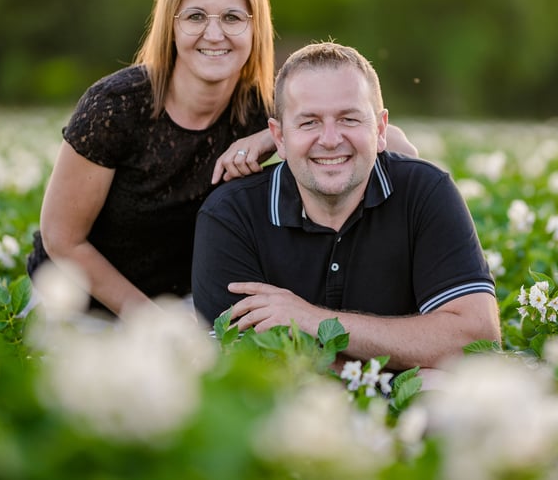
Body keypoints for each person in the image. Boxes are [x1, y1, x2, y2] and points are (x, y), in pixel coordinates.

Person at [28, 0, 416, 317]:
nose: (214, 34)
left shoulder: (266, 107)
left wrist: (270, 137)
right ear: (171, 27)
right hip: (74, 305)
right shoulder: (116, 106)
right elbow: (63, 239)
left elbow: (397, 147)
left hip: (186, 307)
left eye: (232, 18)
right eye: (195, 17)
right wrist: (150, 322)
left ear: (255, 28)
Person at [191, 42, 500, 371]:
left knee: (435, 387)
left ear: (380, 129)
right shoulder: (231, 215)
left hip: (401, 392)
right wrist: (410, 355)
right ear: (278, 137)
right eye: (309, 122)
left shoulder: (425, 191)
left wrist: (311, 319)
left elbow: (475, 339)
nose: (330, 139)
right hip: (310, 404)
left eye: (349, 119)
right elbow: (244, 367)